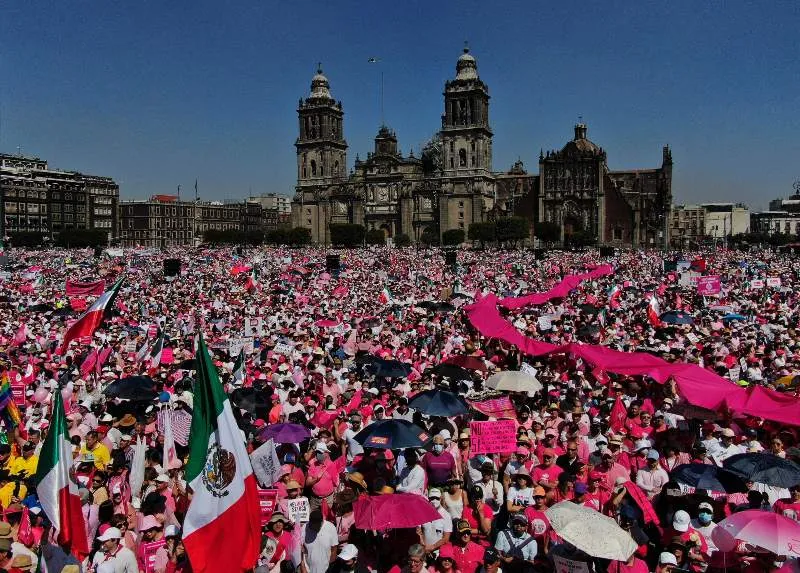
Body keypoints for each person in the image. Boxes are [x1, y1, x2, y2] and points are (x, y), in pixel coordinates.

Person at [420, 488, 452, 555]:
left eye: (437, 498)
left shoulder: (446, 515)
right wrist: (423, 545)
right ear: (428, 498)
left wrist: (433, 547)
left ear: (440, 498)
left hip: (438, 552)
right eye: (432, 498)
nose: (434, 500)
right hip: (424, 550)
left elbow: (446, 538)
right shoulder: (422, 513)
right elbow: (419, 531)